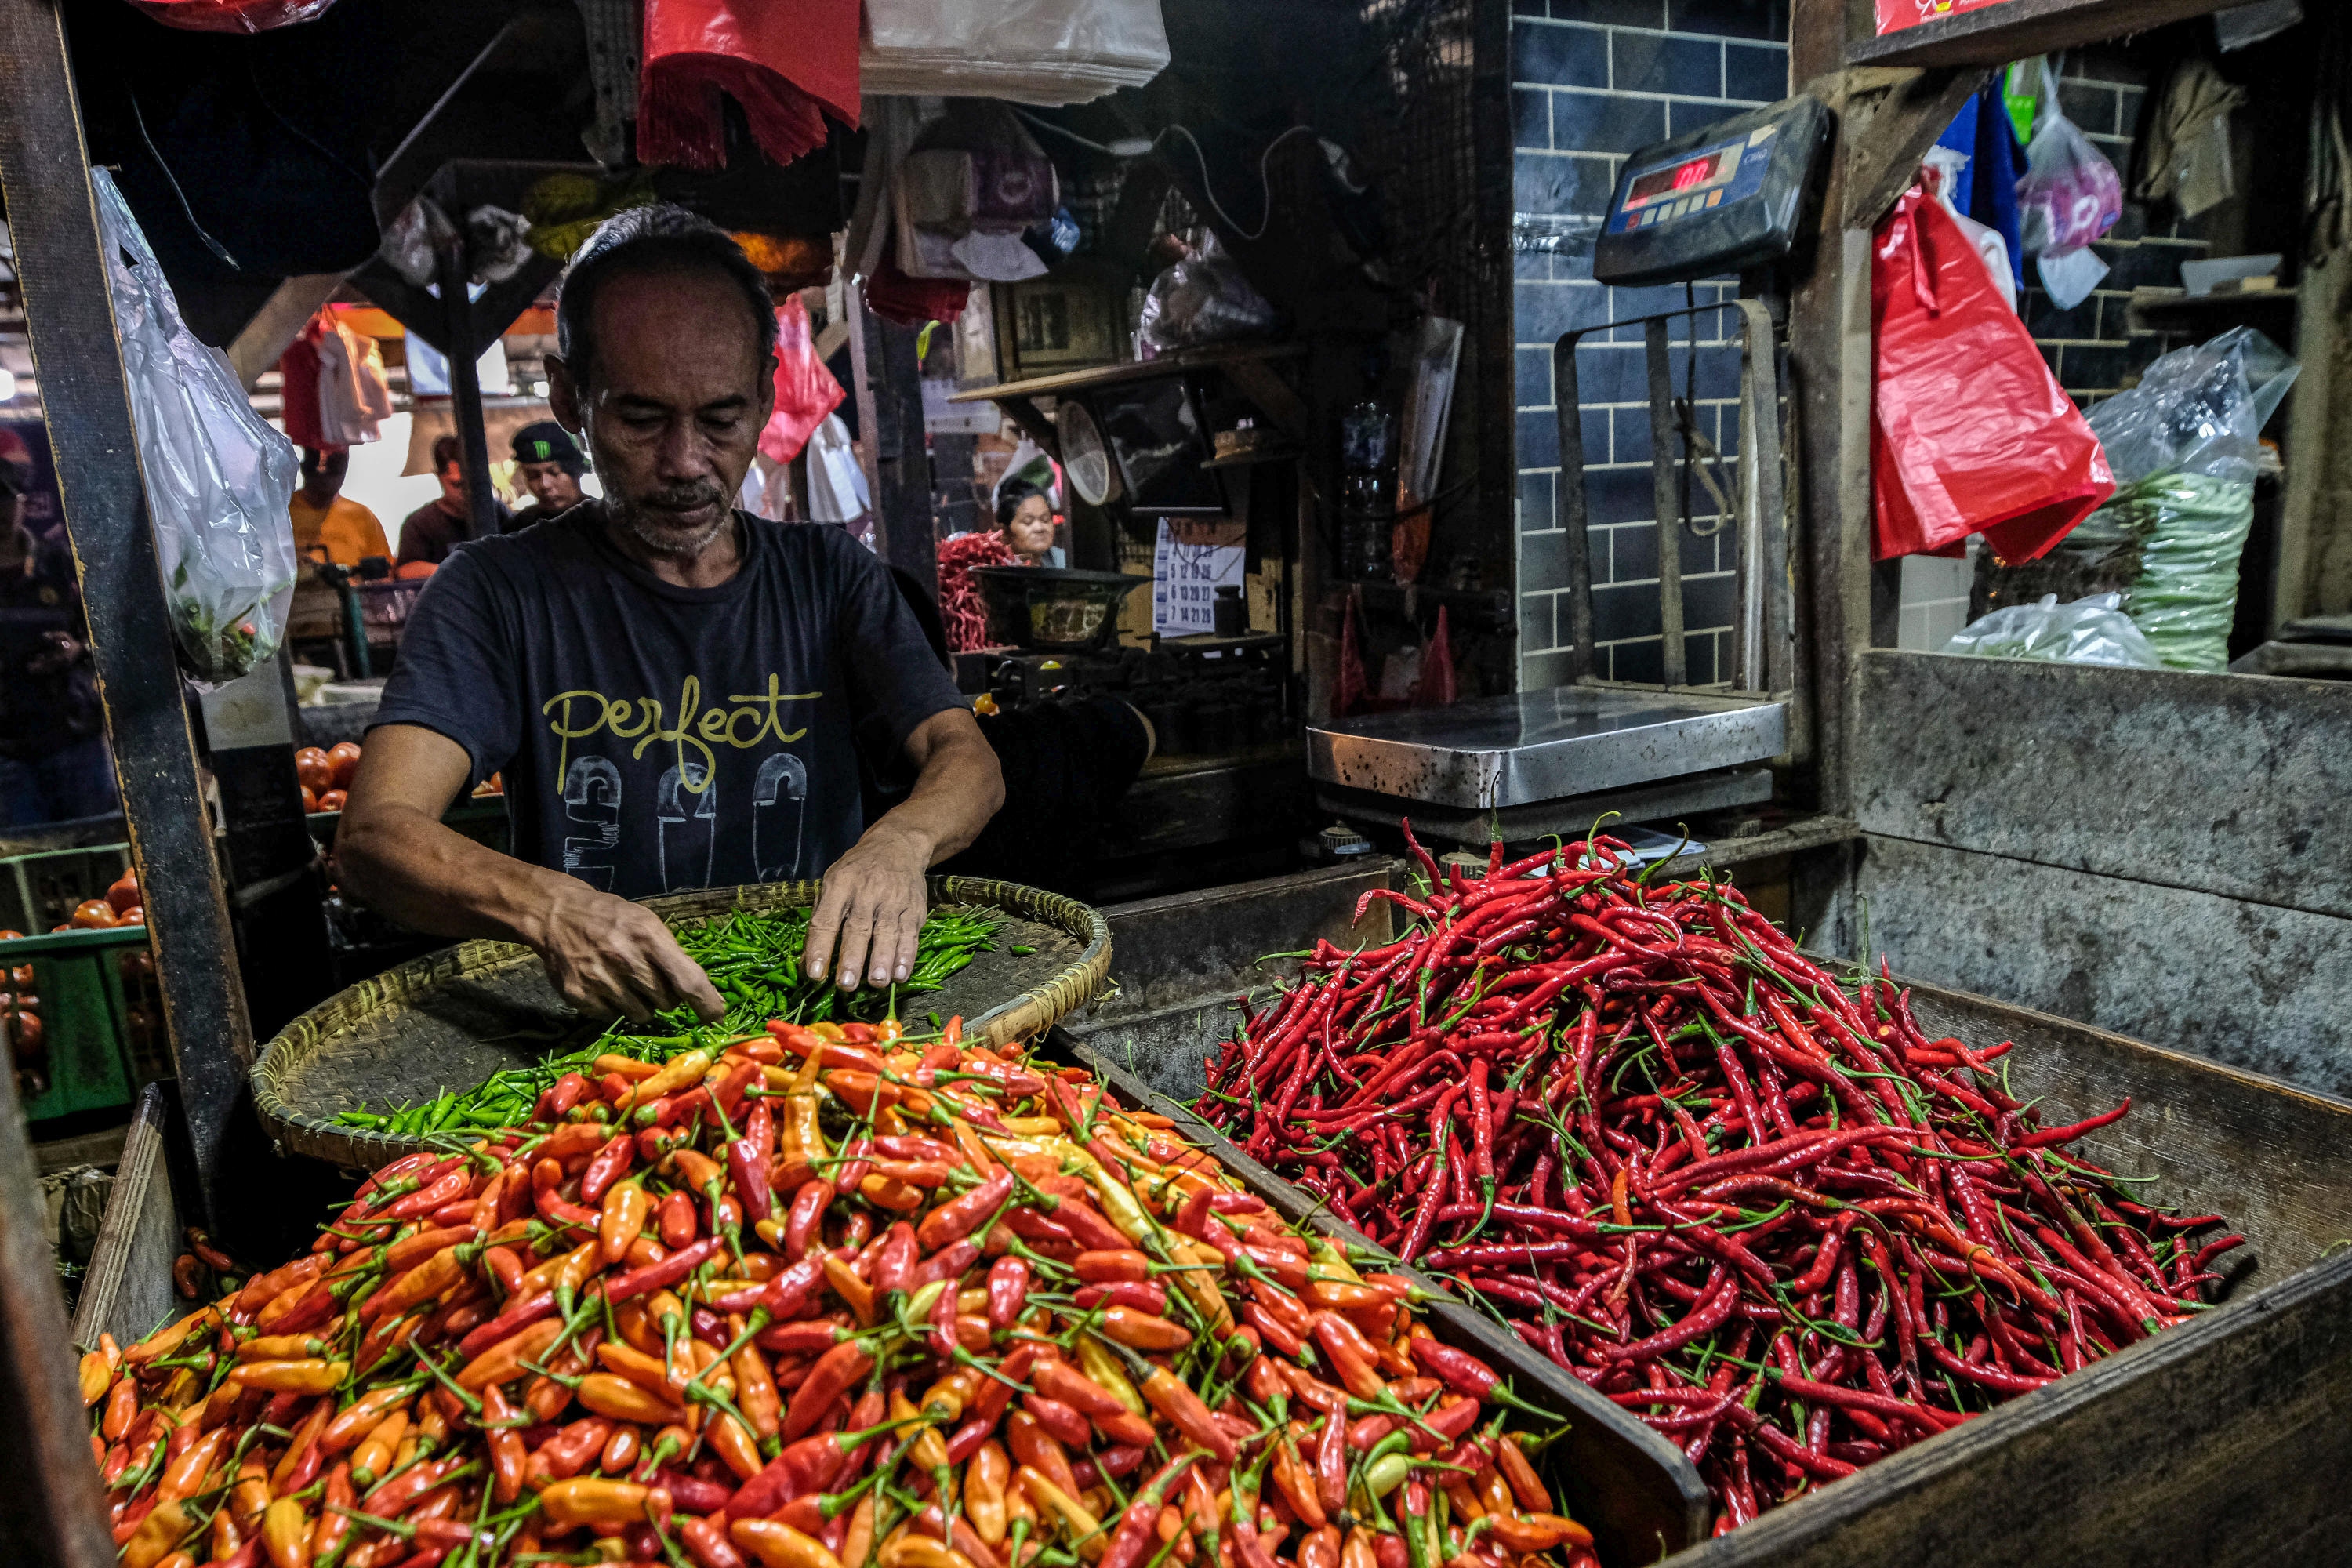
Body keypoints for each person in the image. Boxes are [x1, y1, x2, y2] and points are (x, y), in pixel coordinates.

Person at [337, 205, 1003, 1022]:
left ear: (764, 395)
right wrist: (546, 907)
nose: (686, 463)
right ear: (569, 398)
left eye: (721, 420)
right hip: (614, 1051)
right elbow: (375, 835)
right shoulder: (495, 592)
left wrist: (901, 843)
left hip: (826, 1033)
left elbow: (965, 757)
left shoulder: (831, 576)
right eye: (641, 419)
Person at [0, 462, 117, 826]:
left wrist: (76, 650)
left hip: (72, 736)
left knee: (99, 848)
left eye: (3, 499)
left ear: (22, 502)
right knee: (29, 862)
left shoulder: (60, 562)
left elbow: (106, 635)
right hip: (5, 752)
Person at [394, 433, 512, 568]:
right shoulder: (421, 523)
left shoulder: (498, 511)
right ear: (439, 477)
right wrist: (457, 573)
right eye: (458, 485)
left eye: (474, 484)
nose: (468, 492)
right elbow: (407, 570)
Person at [288, 446, 391, 567]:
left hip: (348, 585)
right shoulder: (281, 511)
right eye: (319, 472)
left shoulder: (362, 517)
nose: (326, 481)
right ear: (304, 469)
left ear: (344, 470)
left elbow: (385, 574)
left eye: (335, 472)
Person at [510, 419, 588, 526]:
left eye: (554, 473)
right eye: (533, 476)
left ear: (577, 471)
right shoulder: (518, 526)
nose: (544, 485)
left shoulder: (605, 521)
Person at [998, 485, 1065, 568]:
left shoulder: (1065, 562)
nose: (1039, 528)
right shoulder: (991, 567)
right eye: (1028, 522)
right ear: (1006, 532)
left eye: (1045, 519)